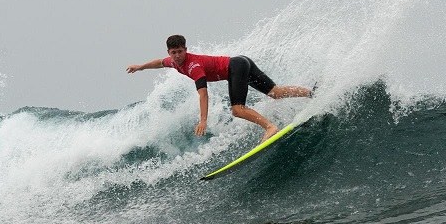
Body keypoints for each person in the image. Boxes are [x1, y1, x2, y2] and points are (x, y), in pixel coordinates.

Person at [126, 35, 312, 142]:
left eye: (180, 52)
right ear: (169, 53)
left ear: (186, 49)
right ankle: (312, 93)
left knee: (238, 110)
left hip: (236, 67)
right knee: (276, 93)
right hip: (241, 61)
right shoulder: (173, 62)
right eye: (173, 53)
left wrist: (203, 120)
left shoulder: (193, 66)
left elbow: (203, 94)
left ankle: (270, 127)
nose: (177, 56)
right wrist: (140, 67)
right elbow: (159, 63)